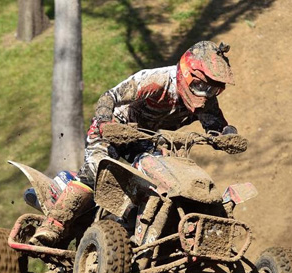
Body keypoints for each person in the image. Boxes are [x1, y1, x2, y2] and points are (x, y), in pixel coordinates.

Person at [30, 40, 238, 246]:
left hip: (144, 139)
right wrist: (104, 122)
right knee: (96, 169)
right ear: (186, 73)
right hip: (114, 128)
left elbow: (217, 128)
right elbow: (109, 96)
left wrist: (229, 136)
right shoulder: (157, 81)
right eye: (201, 86)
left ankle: (137, 231)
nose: (205, 94)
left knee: (162, 178)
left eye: (213, 90)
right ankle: (54, 223)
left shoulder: (206, 103)